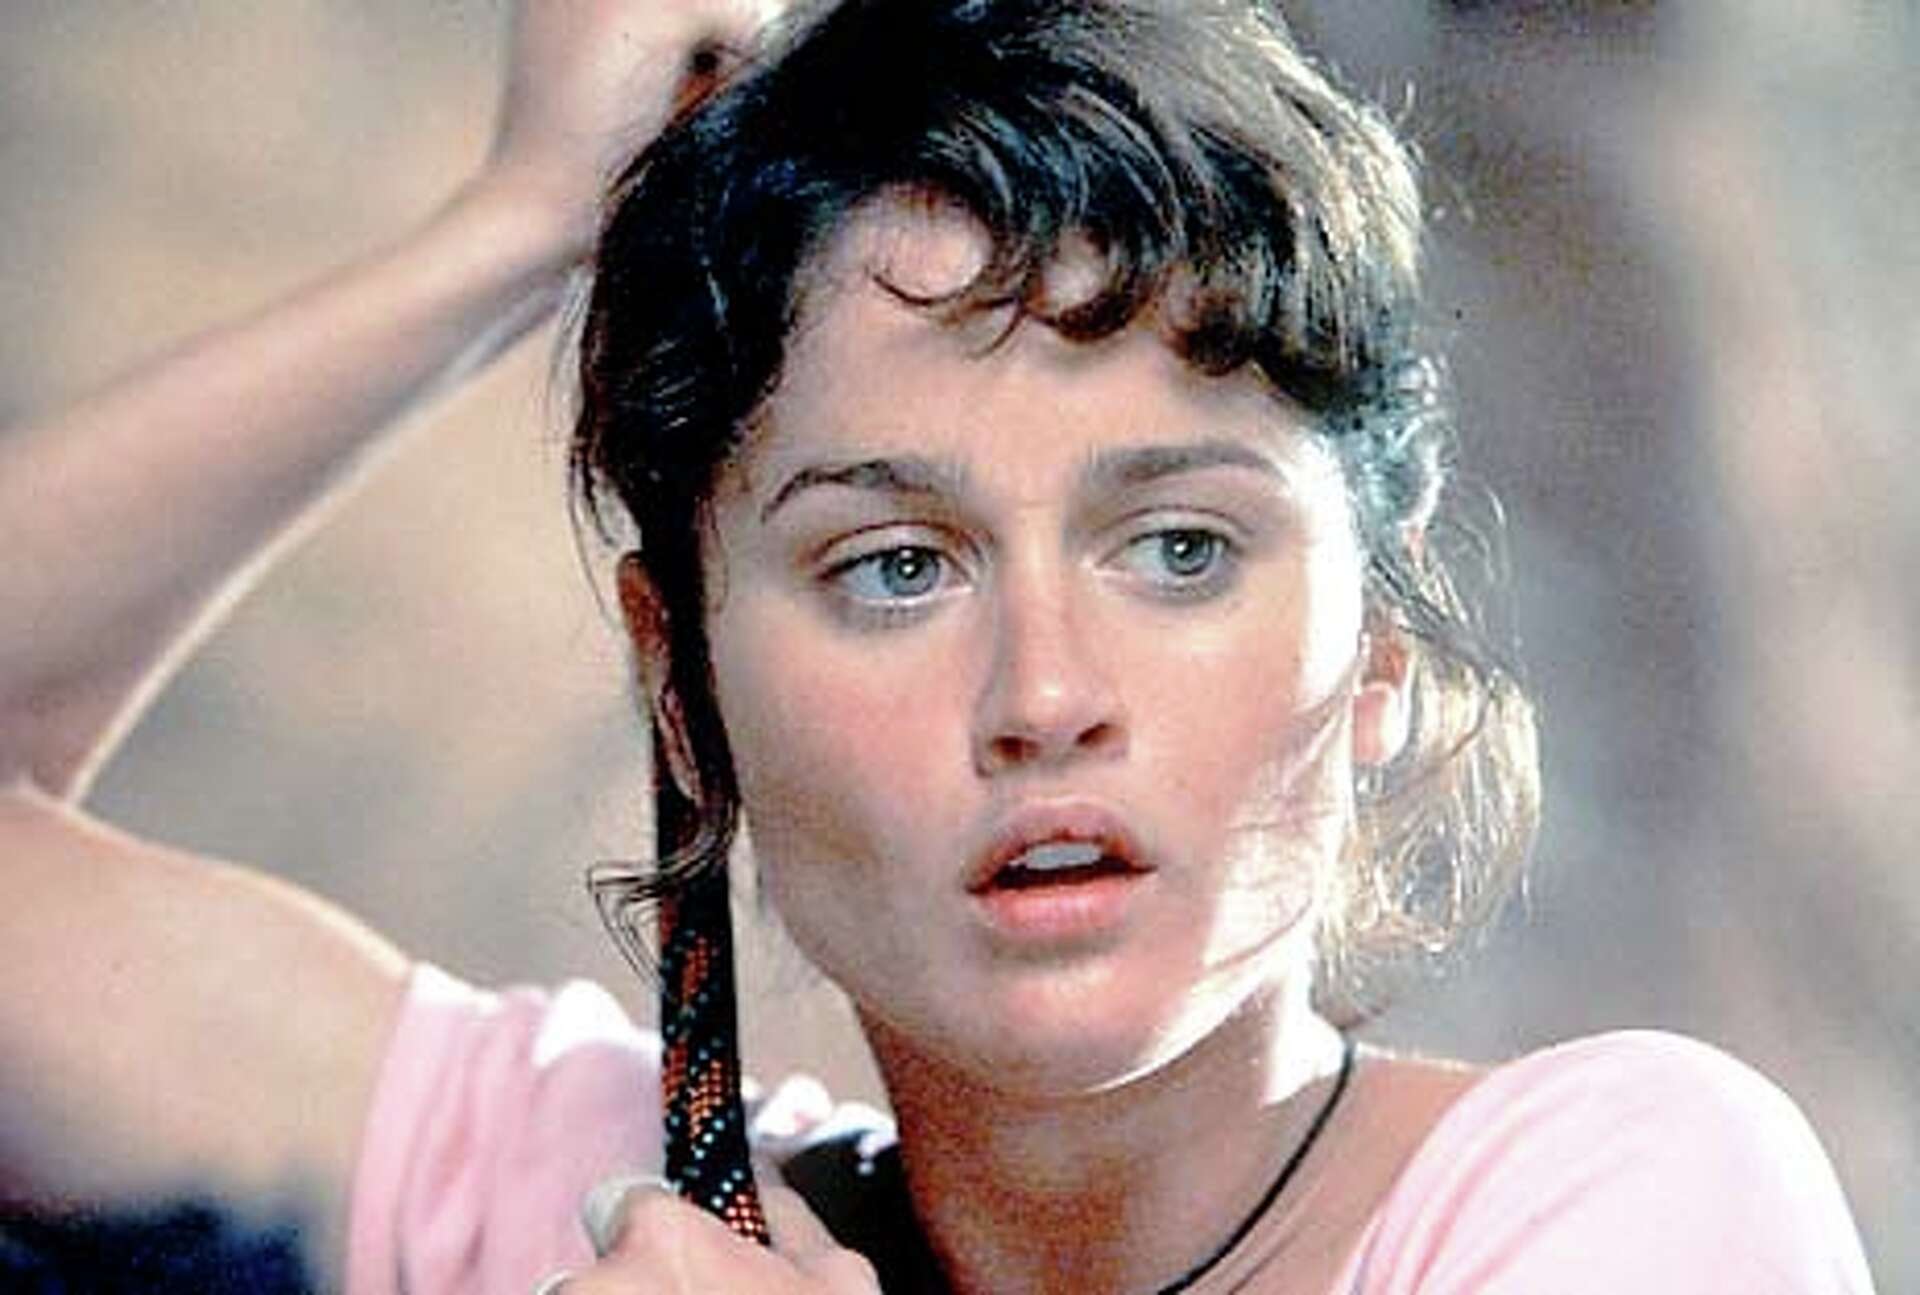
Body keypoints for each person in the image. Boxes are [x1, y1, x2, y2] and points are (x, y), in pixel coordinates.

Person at [0, 0, 1876, 1292]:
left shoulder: (1616, 1195)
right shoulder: (607, 1207)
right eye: (897, 568)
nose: (1044, 697)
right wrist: (513, 233)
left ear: (1373, 653)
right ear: (684, 695)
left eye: (1181, 549)